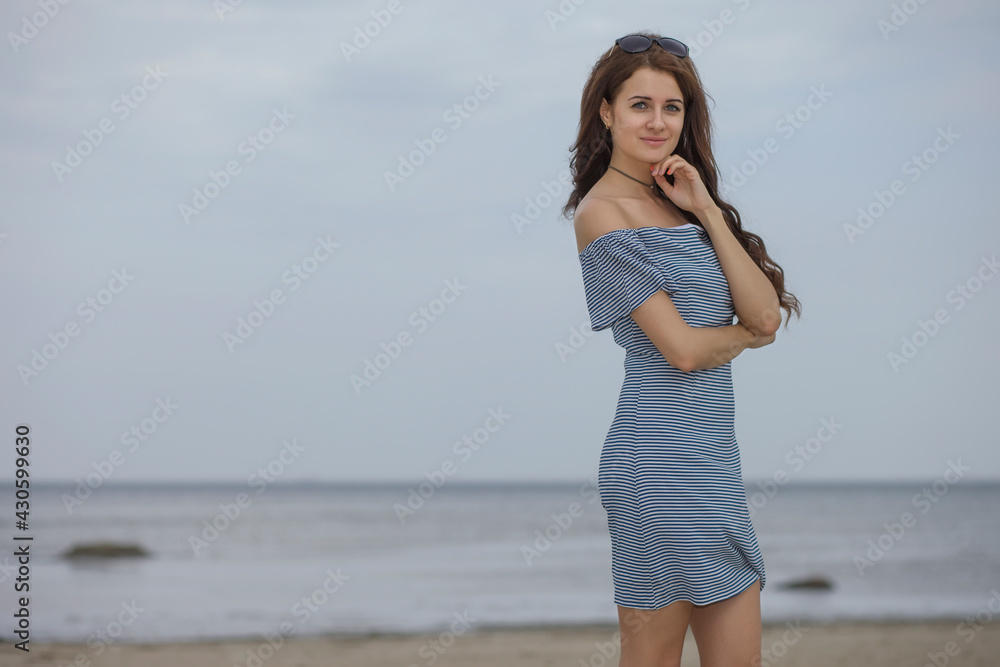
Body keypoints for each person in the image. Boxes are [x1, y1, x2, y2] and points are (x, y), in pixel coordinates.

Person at [561, 32, 802, 666]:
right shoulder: (602, 213)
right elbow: (684, 352)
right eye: (640, 105)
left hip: (714, 463)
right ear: (607, 112)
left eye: (673, 108)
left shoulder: (687, 205)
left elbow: (764, 315)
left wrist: (705, 209)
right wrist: (747, 336)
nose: (658, 121)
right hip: (655, 464)